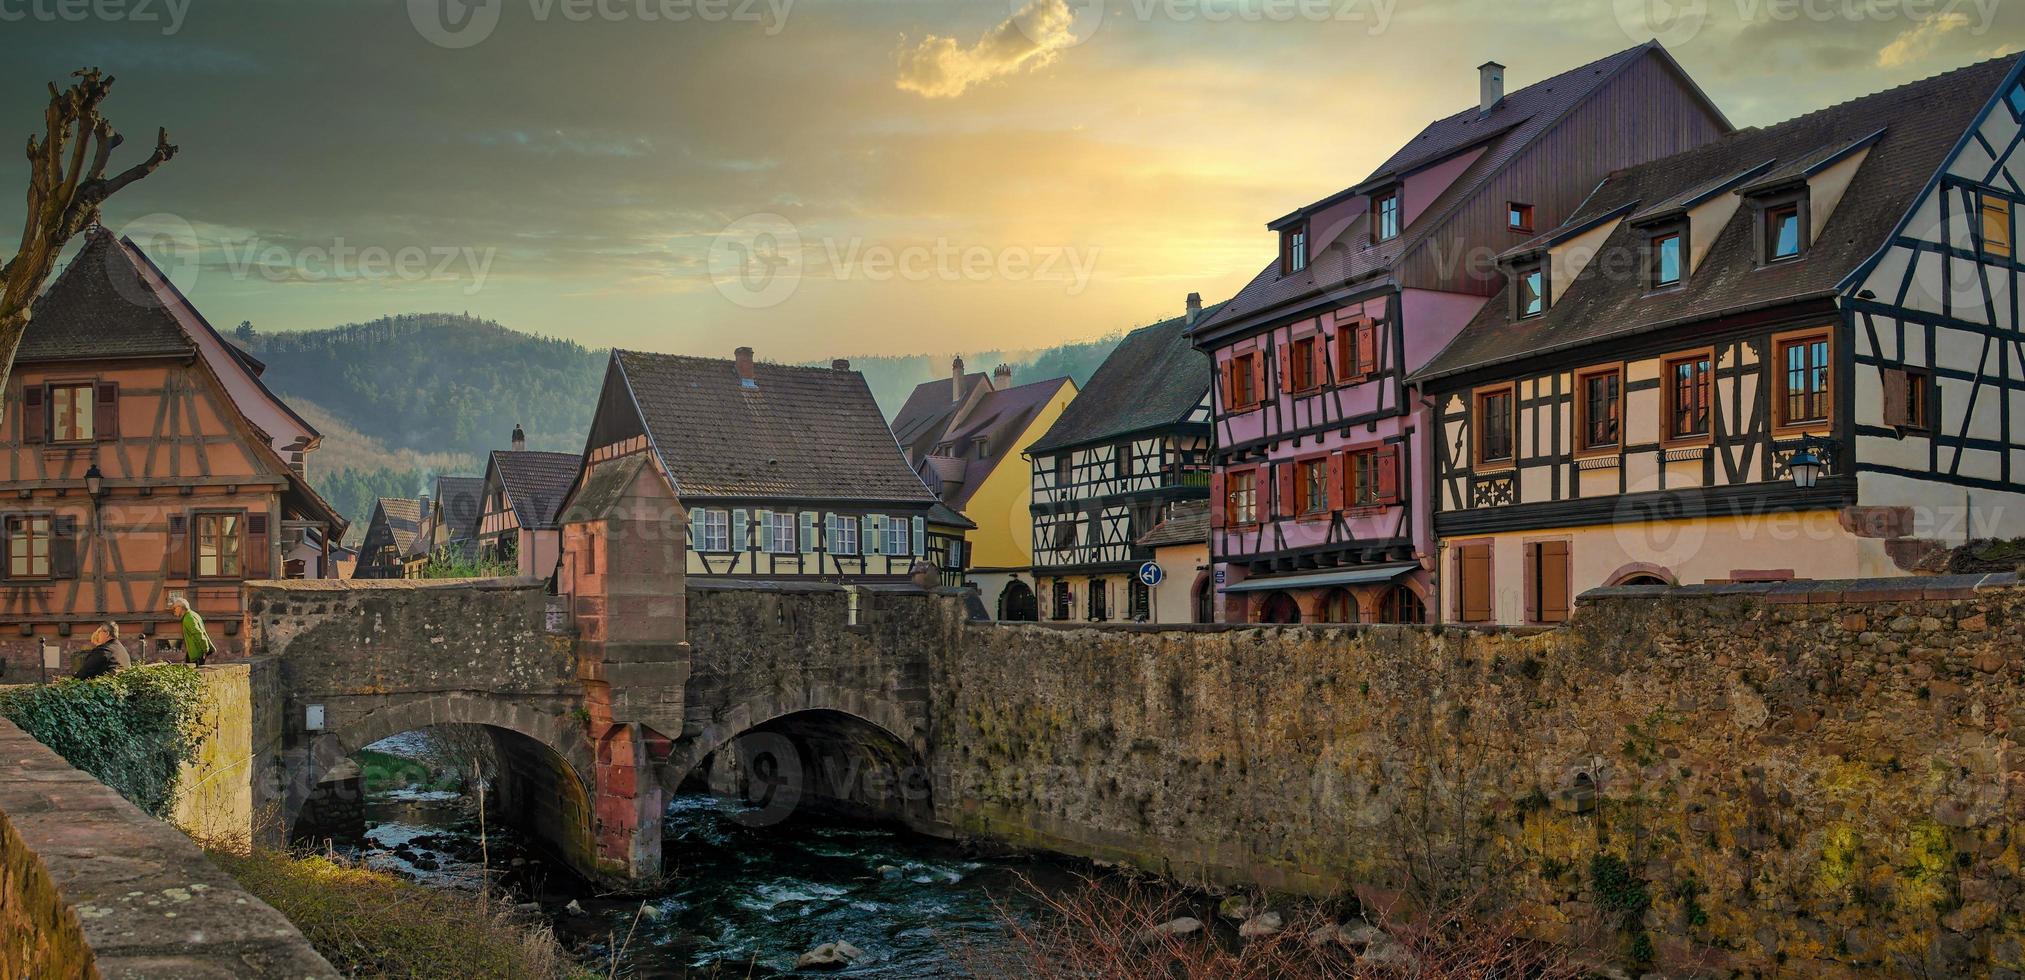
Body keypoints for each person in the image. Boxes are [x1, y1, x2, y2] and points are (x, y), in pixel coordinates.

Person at [168, 595, 213, 666]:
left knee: (194, 673)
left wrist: (205, 649)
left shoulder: (188, 618)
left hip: (197, 653)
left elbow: (198, 633)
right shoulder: (194, 614)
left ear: (180, 607)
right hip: (195, 651)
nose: (173, 611)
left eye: (174, 608)